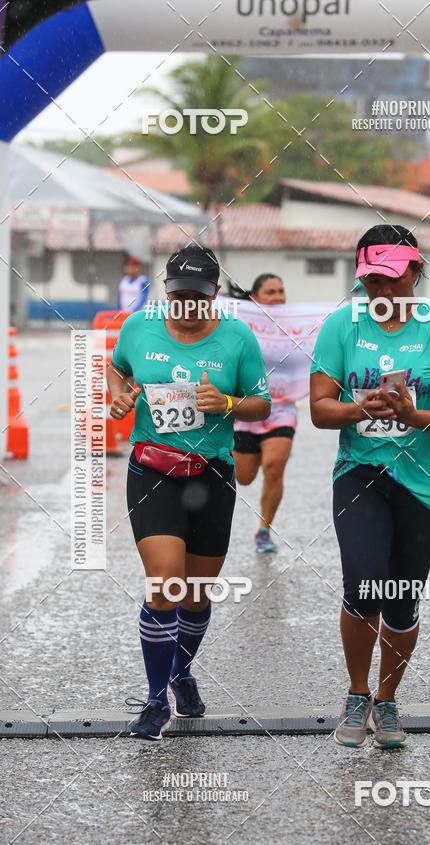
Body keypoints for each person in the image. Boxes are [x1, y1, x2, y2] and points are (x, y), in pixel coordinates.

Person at [310, 224, 430, 750]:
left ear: (416, 271)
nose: (379, 292)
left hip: (426, 484)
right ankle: (357, 694)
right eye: (369, 281)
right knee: (363, 584)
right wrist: (359, 407)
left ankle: (387, 700)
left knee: (401, 599)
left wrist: (414, 414)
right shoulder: (342, 326)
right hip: (360, 473)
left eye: (389, 279)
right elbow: (319, 409)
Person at [108, 245, 271, 740]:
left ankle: (180, 671)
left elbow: (261, 405)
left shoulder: (238, 338)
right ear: (166, 293)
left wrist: (225, 401)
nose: (187, 306)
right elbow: (118, 369)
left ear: (215, 294)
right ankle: (156, 700)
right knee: (165, 585)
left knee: (195, 595)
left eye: (198, 298)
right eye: (178, 296)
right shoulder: (138, 327)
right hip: (152, 471)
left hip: (211, 474)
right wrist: (117, 393)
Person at [233, 273, 296, 554]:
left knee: (274, 467)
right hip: (246, 409)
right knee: (244, 476)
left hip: (281, 409)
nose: (278, 297)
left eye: (281, 291)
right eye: (271, 292)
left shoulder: (297, 326)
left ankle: (264, 530)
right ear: (255, 298)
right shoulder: (239, 326)